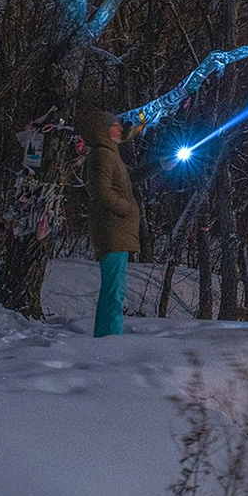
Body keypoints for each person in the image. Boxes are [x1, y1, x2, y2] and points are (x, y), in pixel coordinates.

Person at [83, 114, 141, 335]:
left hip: (117, 231)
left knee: (115, 290)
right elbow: (101, 191)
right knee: (114, 291)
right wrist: (127, 208)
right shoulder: (103, 155)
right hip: (112, 231)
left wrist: (159, 165)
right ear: (105, 130)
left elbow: (128, 180)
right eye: (115, 126)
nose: (120, 130)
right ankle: (109, 340)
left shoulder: (111, 155)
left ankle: (106, 337)